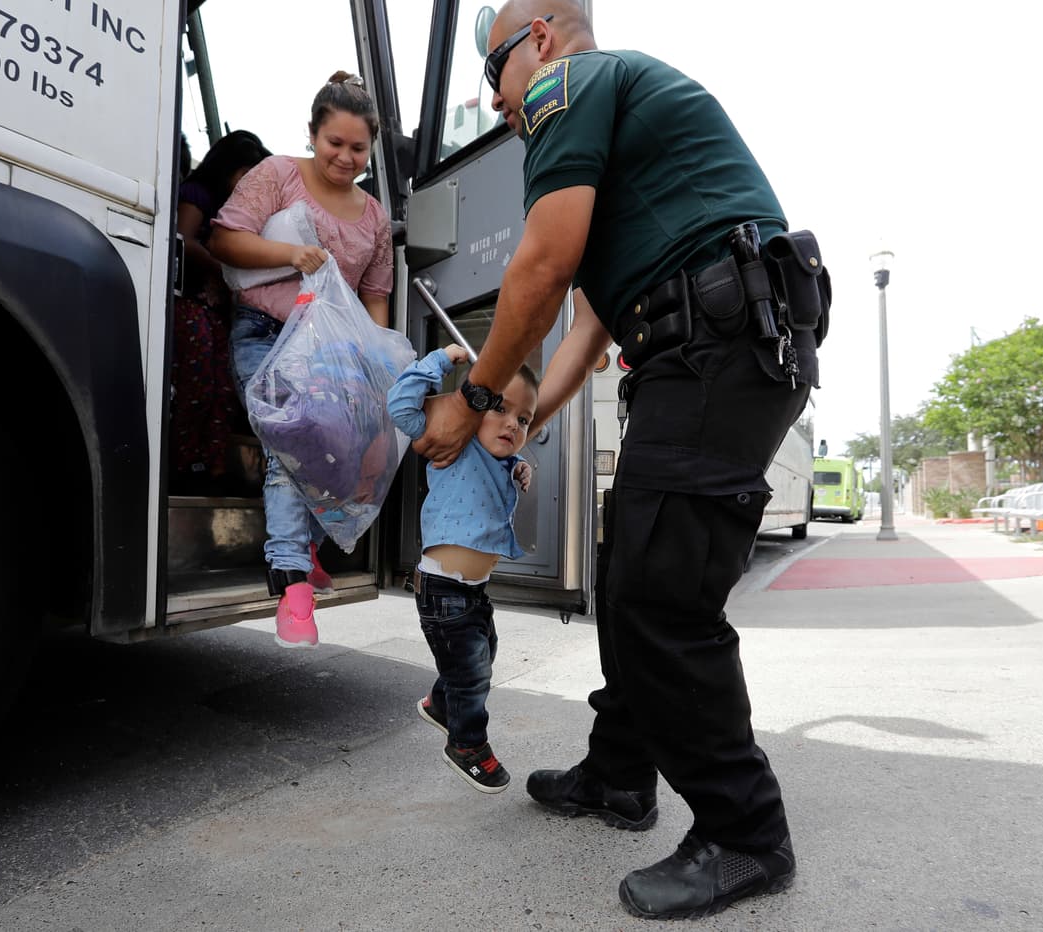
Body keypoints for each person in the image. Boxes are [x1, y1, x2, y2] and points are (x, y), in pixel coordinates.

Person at [412, 1, 827, 920]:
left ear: (544, 38)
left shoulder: (569, 84)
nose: (494, 102)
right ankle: (621, 775)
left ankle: (745, 833)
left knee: (661, 594)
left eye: (494, 72)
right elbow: (593, 316)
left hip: (715, 351)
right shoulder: (624, 143)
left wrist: (474, 397)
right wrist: (525, 413)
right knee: (629, 569)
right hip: (702, 349)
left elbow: (540, 267)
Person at [208, 72, 395, 650]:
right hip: (267, 332)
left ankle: (309, 551)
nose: (344, 157)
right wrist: (293, 253)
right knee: (289, 444)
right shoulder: (278, 175)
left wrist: (370, 356)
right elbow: (223, 239)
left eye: (357, 148)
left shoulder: (375, 219)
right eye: (334, 143)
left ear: (371, 148)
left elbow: (375, 297)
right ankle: (290, 581)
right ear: (312, 134)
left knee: (337, 451)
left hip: (334, 351)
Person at [386, 346, 536, 794]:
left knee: (484, 651)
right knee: (472, 673)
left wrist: (521, 466)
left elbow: (505, 466)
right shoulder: (457, 439)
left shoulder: (503, 460)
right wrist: (440, 360)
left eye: (524, 419)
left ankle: (441, 704)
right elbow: (400, 405)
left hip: (472, 592)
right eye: (501, 408)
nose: (512, 423)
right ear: (474, 407)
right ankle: (467, 745)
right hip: (442, 589)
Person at [170, 129, 271, 494]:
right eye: (246, 174)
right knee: (195, 387)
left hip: (215, 314)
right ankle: (184, 464)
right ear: (229, 166)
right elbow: (182, 239)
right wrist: (223, 266)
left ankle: (210, 468)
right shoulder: (199, 195)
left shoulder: (232, 212)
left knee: (221, 390)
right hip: (192, 305)